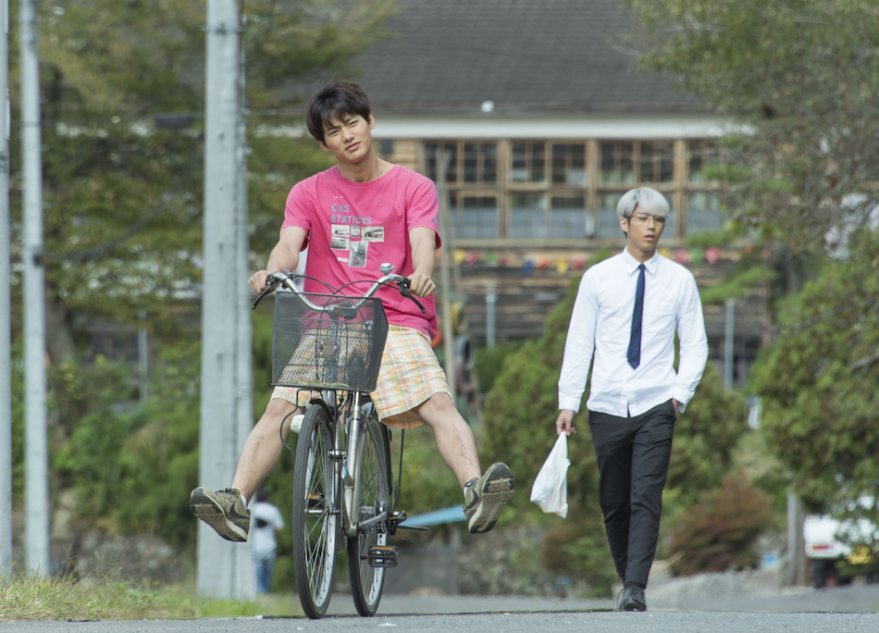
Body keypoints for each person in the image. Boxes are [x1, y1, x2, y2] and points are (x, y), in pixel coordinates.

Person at [190, 79, 514, 544]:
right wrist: (272, 272)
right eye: (333, 131)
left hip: (395, 317)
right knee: (281, 407)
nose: (347, 135)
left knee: (438, 402)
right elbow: (289, 243)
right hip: (331, 321)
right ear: (324, 144)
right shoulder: (308, 192)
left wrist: (422, 273)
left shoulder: (414, 187)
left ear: (370, 121)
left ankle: (475, 491)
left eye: (352, 122)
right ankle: (236, 502)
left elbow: (423, 241)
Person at [555, 187, 708, 612]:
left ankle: (635, 587)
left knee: (646, 496)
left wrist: (678, 397)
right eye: (643, 218)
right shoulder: (597, 278)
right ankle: (628, 579)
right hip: (606, 404)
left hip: (657, 404)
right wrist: (569, 401)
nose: (651, 227)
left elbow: (695, 344)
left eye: (658, 220)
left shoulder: (680, 280)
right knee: (614, 500)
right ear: (625, 223)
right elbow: (580, 342)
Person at [250, 487, 284, 595]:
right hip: (269, 546)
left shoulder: (251, 509)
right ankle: (266, 594)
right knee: (267, 575)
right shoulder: (273, 510)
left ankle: (260, 595)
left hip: (255, 547)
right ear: (267, 497)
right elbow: (279, 529)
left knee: (257, 576)